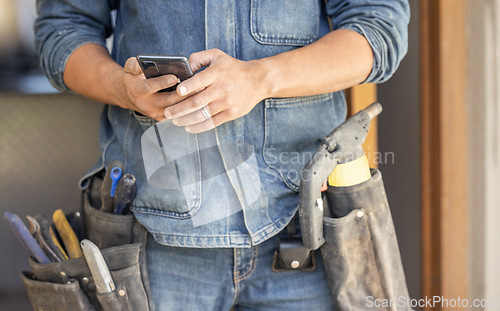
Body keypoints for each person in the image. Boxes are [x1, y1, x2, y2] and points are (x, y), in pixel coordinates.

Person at [35, 1, 409, 310]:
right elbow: (63, 29)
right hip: (151, 237)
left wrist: (262, 78)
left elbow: (379, 28)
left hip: (305, 230)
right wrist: (121, 87)